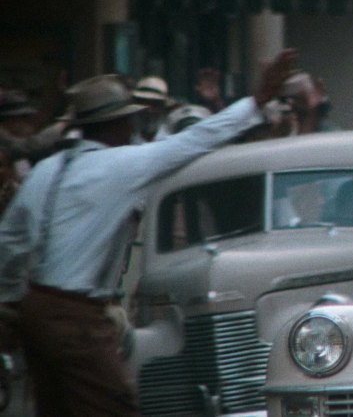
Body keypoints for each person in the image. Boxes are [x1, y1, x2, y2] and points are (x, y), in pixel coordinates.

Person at [0, 49, 296, 416]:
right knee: (115, 404)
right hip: (78, 315)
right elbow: (194, 141)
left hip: (36, 308)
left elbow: (10, 239)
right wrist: (255, 102)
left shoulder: (47, 170)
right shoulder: (123, 165)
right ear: (116, 126)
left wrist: (11, 299)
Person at [132, 75, 176, 142]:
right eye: (144, 104)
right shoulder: (125, 137)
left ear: (163, 107)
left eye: (155, 104)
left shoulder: (173, 137)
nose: (149, 110)